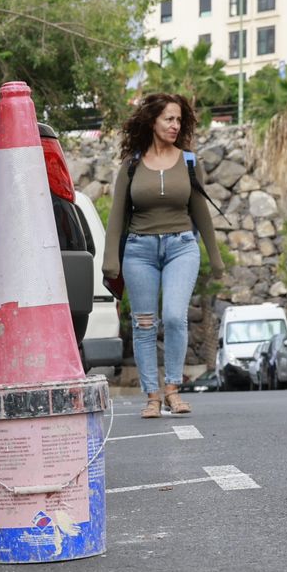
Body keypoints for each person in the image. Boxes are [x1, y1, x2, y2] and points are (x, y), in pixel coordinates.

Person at [101, 92, 224, 417]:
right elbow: (117, 215)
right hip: (139, 250)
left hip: (181, 246)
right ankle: (152, 395)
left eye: (179, 120)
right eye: (169, 118)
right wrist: (110, 259)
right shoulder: (131, 166)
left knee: (172, 316)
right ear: (152, 120)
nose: (175, 125)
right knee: (143, 323)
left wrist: (215, 257)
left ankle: (172, 388)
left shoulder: (188, 161)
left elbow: (201, 212)